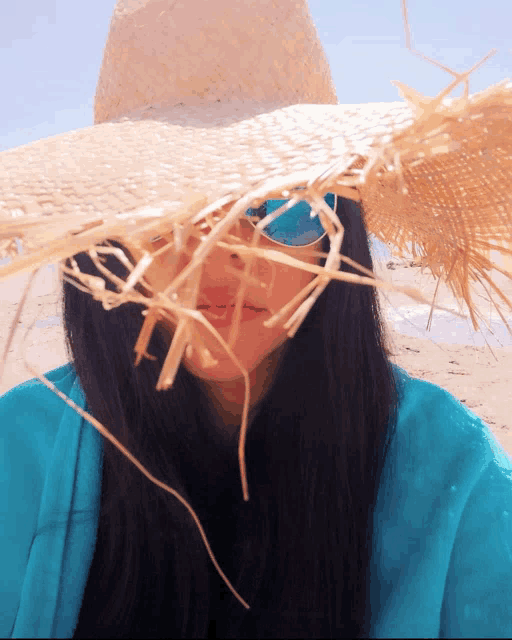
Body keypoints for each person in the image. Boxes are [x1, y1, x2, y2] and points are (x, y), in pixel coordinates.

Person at [1, 0, 512, 638]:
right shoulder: (14, 453)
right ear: (110, 241)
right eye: (168, 208)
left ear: (337, 233)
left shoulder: (457, 482)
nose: (218, 255)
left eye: (281, 205)